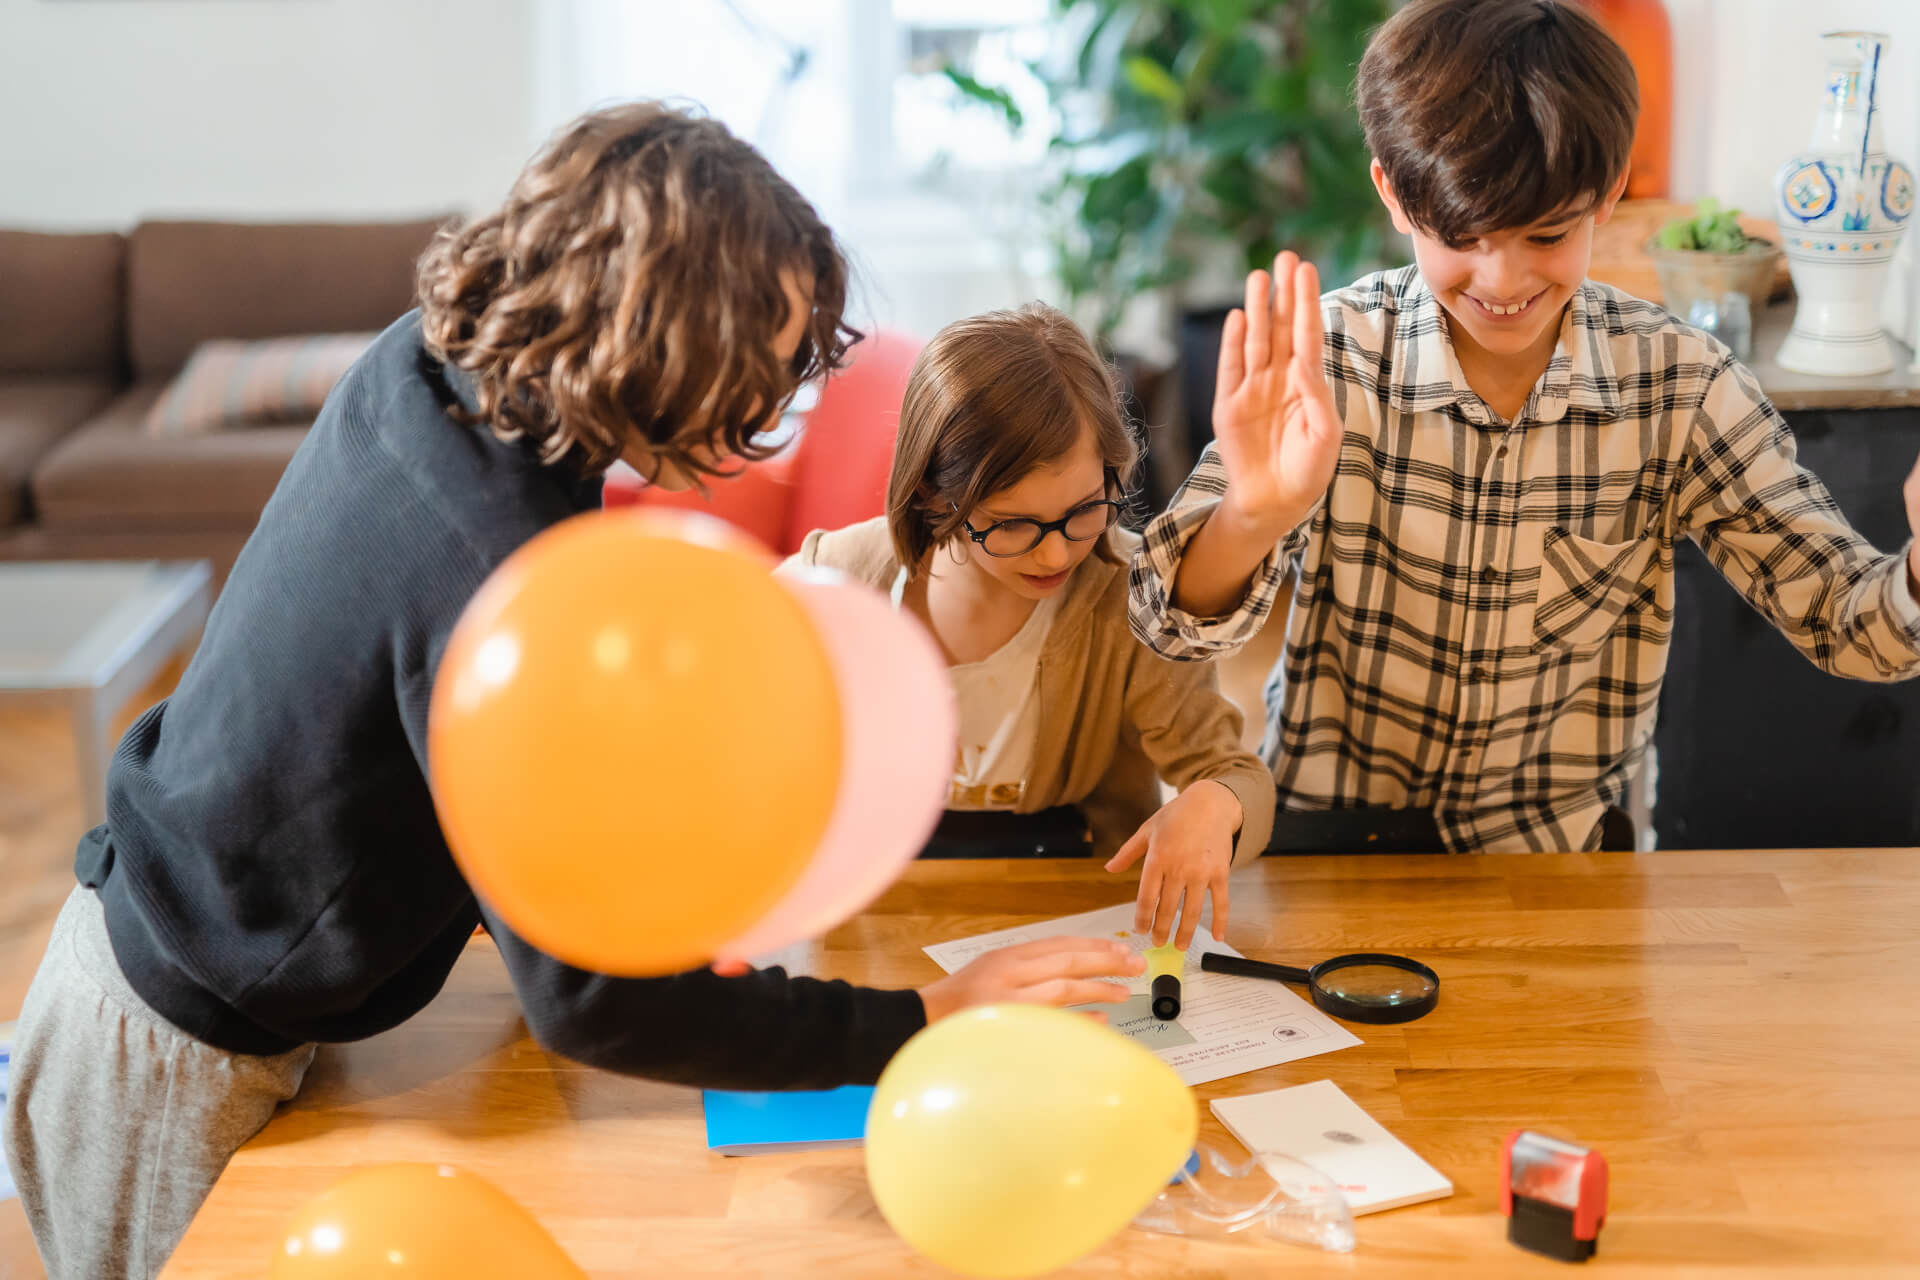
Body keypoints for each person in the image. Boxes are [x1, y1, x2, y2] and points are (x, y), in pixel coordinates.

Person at [1, 103, 1140, 1280]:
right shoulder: (493, 555)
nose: (761, 423)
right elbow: (591, 1000)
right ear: (644, 330)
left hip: (183, 971)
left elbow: (453, 755)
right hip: (165, 1052)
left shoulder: (440, 373)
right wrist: (915, 1025)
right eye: (745, 371)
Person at [1128, 0, 1920, 854]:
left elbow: (1852, 627)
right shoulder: (1330, 360)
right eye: (1463, 236)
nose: (1502, 279)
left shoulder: (1681, 386)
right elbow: (1166, 625)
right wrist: (1252, 515)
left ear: (1609, 192)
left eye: (1547, 233)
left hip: (1556, 859)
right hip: (1326, 842)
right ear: (1394, 194)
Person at [788, 303, 1274, 947]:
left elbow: (1235, 774)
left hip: (1073, 912)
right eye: (1013, 524)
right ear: (935, 494)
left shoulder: (1139, 594)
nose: (1055, 554)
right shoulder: (837, 582)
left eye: (1083, 511)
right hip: (880, 925)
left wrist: (1217, 806)